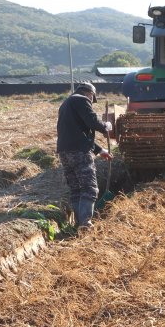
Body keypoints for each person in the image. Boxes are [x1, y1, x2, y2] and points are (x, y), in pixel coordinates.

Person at [56, 83, 113, 230]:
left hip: (64, 151)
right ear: (90, 94)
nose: (91, 101)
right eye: (91, 98)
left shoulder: (66, 104)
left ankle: (78, 224)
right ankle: (85, 223)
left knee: (77, 189)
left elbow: (77, 133)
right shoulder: (81, 100)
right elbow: (92, 122)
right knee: (89, 188)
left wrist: (100, 151)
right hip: (79, 152)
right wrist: (107, 126)